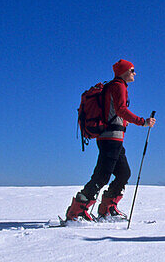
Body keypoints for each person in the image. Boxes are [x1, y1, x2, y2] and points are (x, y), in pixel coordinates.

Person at [66, 59, 155, 221]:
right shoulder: (118, 86)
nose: (135, 73)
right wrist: (143, 122)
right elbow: (121, 110)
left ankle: (107, 208)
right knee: (102, 175)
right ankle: (77, 211)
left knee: (123, 173)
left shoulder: (115, 86)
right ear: (124, 71)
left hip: (114, 138)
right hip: (110, 137)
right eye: (132, 70)